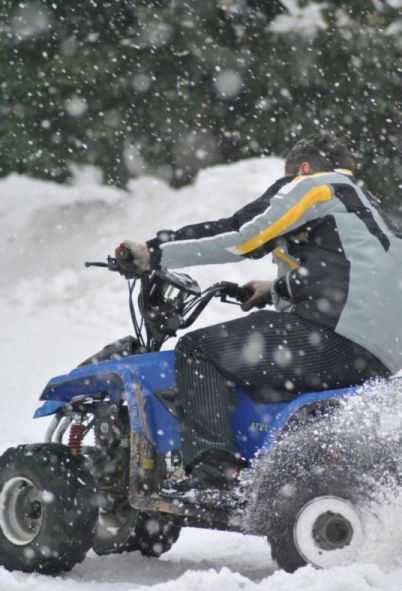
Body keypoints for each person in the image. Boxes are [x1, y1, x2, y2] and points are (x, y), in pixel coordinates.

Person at [115, 133, 401, 494]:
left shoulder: (315, 186)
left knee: (198, 350)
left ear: (304, 167)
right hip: (379, 357)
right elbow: (345, 274)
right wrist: (275, 288)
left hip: (336, 336)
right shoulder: (368, 208)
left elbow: (242, 235)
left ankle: (213, 469)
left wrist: (153, 253)